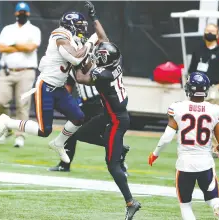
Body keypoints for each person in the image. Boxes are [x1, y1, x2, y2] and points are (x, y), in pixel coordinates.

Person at [0, 10, 98, 163]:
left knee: (78, 117)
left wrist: (92, 58)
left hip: (59, 88)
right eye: (79, 26)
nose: (82, 30)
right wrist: (90, 44)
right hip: (46, 86)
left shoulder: (76, 41)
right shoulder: (60, 34)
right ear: (70, 26)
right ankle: (7, 122)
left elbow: (83, 69)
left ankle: (59, 143)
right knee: (44, 130)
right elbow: (75, 59)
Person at [72, 2, 141, 219]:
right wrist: (95, 17)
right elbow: (103, 37)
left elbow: (81, 77)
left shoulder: (103, 77)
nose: (97, 55)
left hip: (116, 121)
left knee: (112, 166)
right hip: (109, 115)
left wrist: (73, 59)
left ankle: (131, 202)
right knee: (79, 133)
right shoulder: (115, 60)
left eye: (98, 55)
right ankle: (120, 148)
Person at [148, 72, 219, 220]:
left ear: (189, 88)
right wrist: (218, 150)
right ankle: (217, 207)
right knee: (213, 198)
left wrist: (155, 154)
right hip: (205, 162)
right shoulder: (214, 110)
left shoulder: (178, 108)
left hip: (185, 163)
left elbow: (166, 138)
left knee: (185, 205)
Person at [48, 36, 130, 176]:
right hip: (85, 102)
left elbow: (83, 76)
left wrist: (79, 59)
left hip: (98, 101)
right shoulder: (69, 64)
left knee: (104, 133)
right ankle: (65, 164)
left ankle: (120, 158)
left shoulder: (91, 61)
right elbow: (69, 84)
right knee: (73, 131)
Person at [0, 2, 41, 148]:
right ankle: (7, 128)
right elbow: (2, 47)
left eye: (24, 12)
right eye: (19, 12)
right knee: (0, 102)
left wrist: (12, 45)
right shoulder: (8, 29)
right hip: (7, 71)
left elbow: (31, 47)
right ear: (15, 13)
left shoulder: (34, 30)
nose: (22, 15)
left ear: (28, 14)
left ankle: (20, 136)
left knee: (23, 105)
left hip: (26, 72)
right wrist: (20, 45)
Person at [188, 23, 219, 147]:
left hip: (214, 88)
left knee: (214, 118)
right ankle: (198, 142)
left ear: (217, 35)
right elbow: (192, 70)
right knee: (197, 116)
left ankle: (216, 146)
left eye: (212, 32)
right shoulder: (198, 50)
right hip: (198, 89)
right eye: (207, 31)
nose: (209, 34)